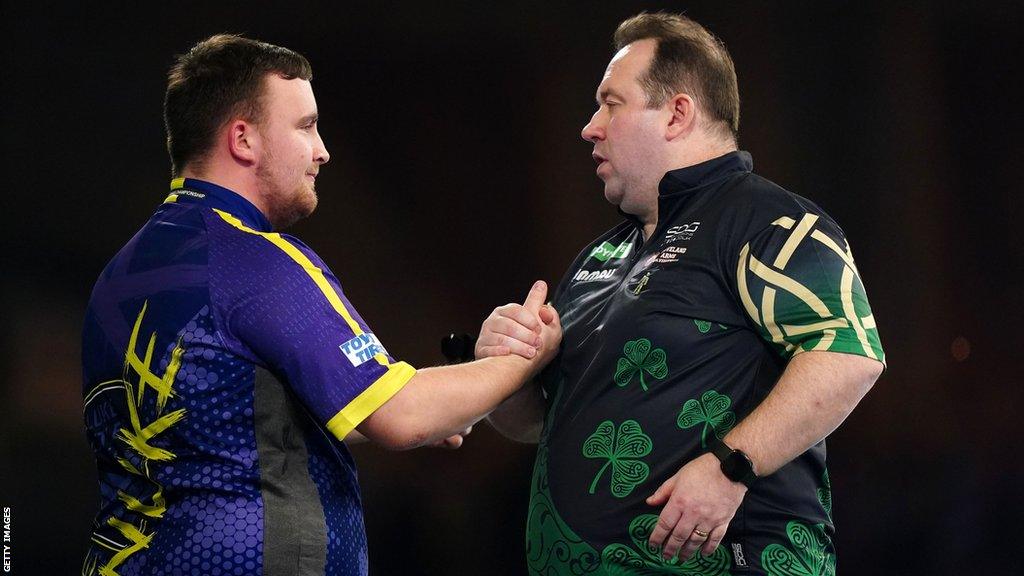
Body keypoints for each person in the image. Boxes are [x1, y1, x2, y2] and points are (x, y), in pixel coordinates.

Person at [79, 34, 560, 576]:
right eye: (305, 126)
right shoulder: (255, 259)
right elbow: (402, 415)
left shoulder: (118, 276)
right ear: (243, 139)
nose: (322, 149)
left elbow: (219, 424)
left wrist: (426, 404)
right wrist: (524, 357)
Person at [476, 12, 885, 575]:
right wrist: (507, 368)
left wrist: (729, 467)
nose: (590, 127)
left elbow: (848, 353)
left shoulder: (769, 221)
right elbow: (536, 424)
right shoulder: (600, 257)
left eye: (611, 103)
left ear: (677, 113)